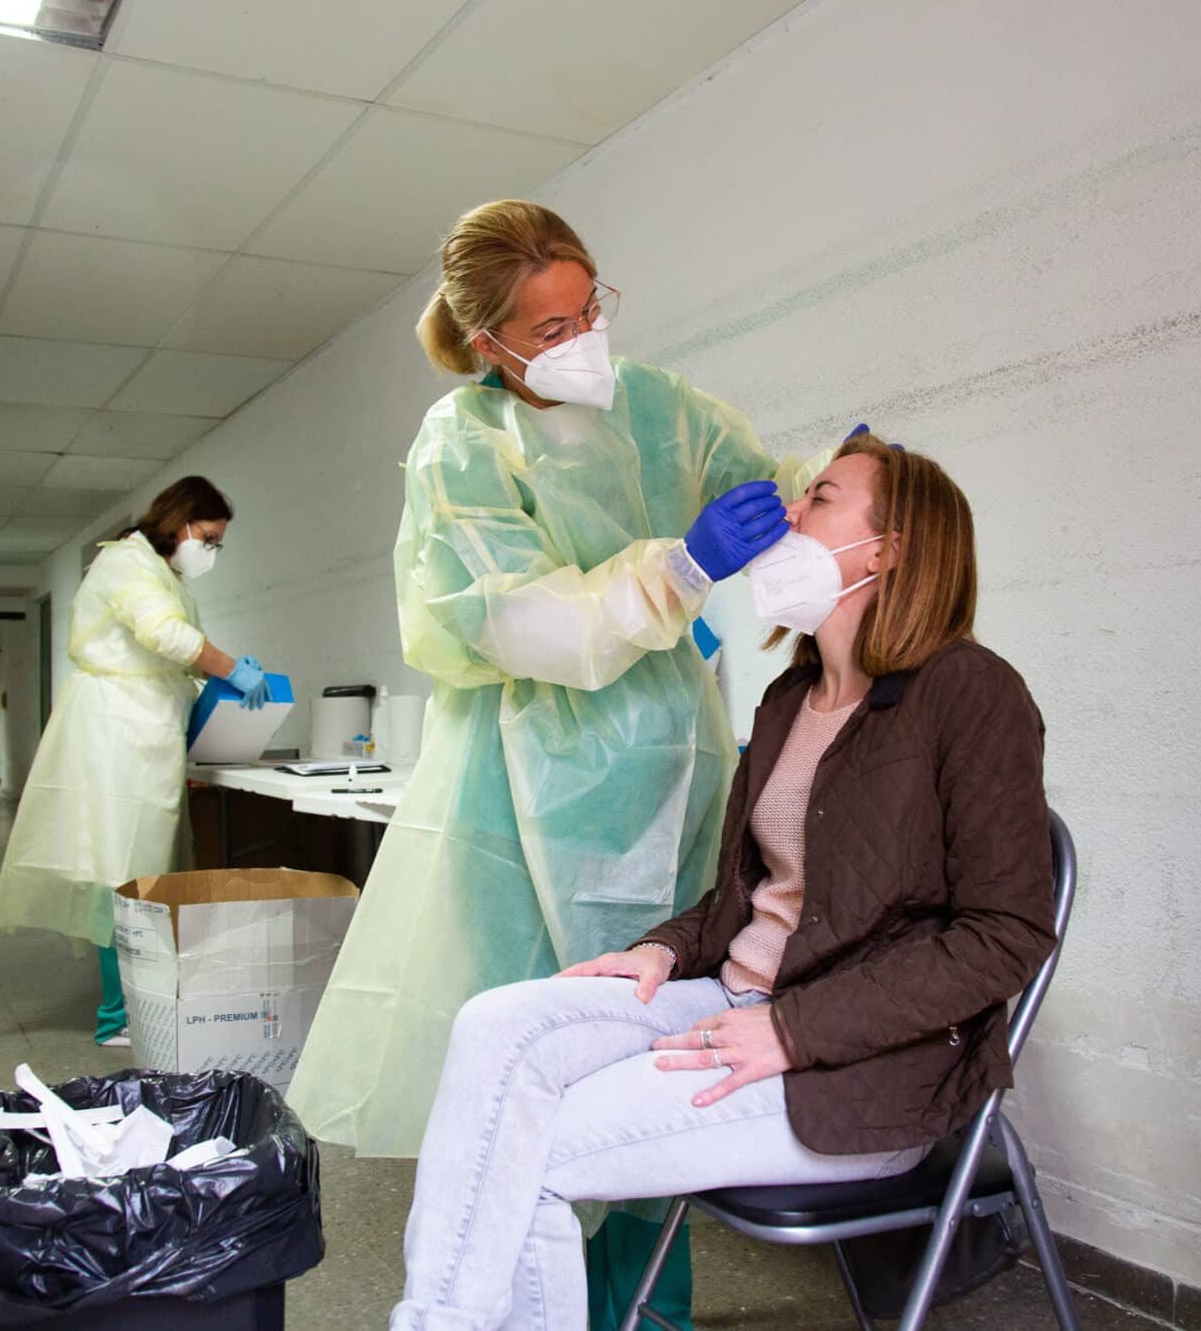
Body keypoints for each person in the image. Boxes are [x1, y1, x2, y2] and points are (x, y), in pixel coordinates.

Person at [286, 200, 827, 1326]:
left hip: (672, 771)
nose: (582, 339)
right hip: (527, 792)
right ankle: (541, 1303)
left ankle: (653, 1310)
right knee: (540, 1046)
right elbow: (509, 621)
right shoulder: (462, 446)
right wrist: (677, 569)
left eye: (589, 309)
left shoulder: (658, 407)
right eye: (547, 327)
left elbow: (769, 486)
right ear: (484, 342)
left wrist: (832, 486)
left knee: (657, 1029)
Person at [387, 435, 1058, 1330]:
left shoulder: (971, 693)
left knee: (525, 1155)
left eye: (819, 496)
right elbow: (742, 901)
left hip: (858, 1067)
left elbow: (1005, 934)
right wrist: (659, 950)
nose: (789, 514)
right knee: (494, 1027)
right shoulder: (791, 700)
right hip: (729, 1000)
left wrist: (793, 1027)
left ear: (890, 548)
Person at [0, 476, 271, 1047]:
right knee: (119, 870)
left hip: (145, 735)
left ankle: (141, 995)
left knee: (142, 869)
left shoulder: (159, 572)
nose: (211, 551)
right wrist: (225, 667)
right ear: (181, 523)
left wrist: (214, 674)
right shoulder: (126, 563)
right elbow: (164, 634)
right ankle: (117, 1016)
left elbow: (168, 650)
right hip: (115, 735)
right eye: (210, 538)